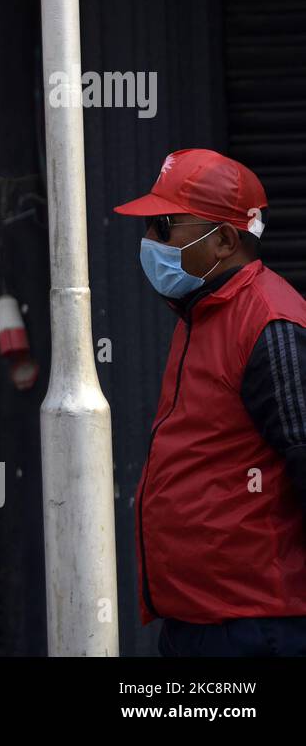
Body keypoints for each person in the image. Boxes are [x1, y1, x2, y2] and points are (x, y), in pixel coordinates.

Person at [115, 148, 306, 656]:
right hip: (196, 620)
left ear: (223, 239)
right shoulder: (202, 314)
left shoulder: (269, 321)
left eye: (165, 226)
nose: (150, 241)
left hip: (254, 628)